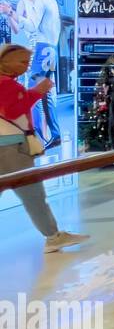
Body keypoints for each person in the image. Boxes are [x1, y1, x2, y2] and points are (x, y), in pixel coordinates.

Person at [0, 44, 89, 252]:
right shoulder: (7, 85)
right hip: (12, 147)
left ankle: (53, 235)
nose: (26, 65)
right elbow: (14, 111)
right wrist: (37, 92)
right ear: (6, 62)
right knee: (33, 194)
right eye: (22, 61)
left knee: (32, 194)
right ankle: (53, 236)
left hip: (10, 145)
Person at [0, 0, 62, 148]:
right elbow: (17, 29)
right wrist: (10, 13)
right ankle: (53, 135)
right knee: (45, 94)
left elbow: (33, 26)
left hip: (42, 48)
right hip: (48, 49)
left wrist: (11, 12)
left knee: (31, 94)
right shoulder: (30, 0)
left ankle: (32, 137)